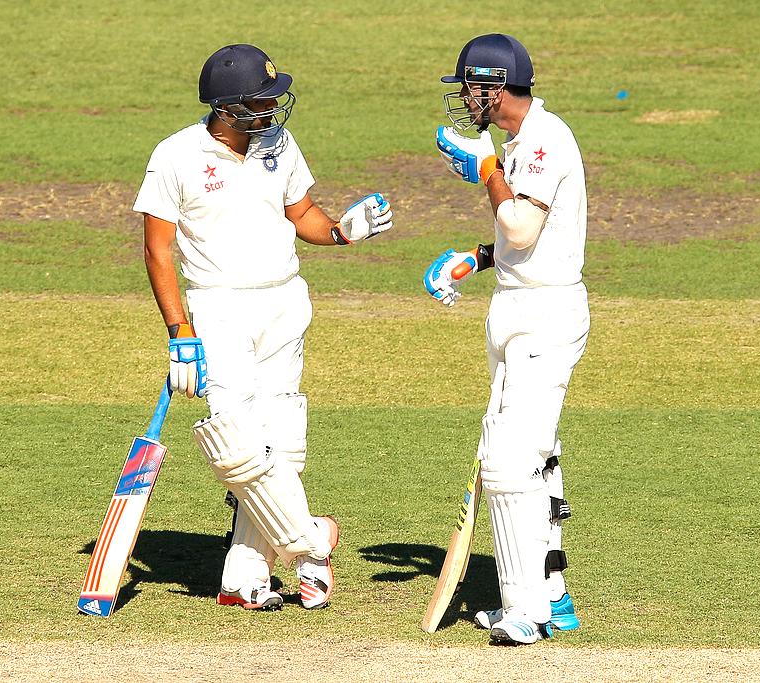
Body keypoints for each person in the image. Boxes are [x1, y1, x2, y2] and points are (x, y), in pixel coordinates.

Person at [135, 43, 393, 612]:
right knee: (233, 440)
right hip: (219, 308)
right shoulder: (176, 155)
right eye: (260, 101)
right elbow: (157, 251)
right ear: (227, 109)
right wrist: (180, 332)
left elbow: (301, 214)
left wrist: (343, 231)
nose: (273, 109)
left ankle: (243, 576)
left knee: (281, 440)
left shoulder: (278, 142)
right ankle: (308, 543)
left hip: (284, 302)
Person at [422, 33, 589, 645]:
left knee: (507, 462)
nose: (464, 97)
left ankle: (529, 613)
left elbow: (520, 224)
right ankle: (552, 595)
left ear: (495, 87)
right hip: (516, 306)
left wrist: (487, 170)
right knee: (536, 458)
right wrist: (477, 257)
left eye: (469, 86)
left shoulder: (546, 139)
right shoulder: (522, 140)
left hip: (546, 314)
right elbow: (528, 235)